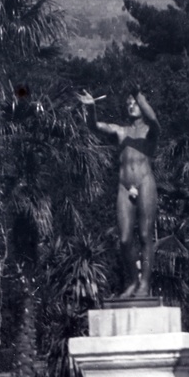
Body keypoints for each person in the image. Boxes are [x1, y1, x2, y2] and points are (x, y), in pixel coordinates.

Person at [76, 89, 159, 302]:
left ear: (142, 103)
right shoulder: (121, 131)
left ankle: (145, 284)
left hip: (144, 182)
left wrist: (138, 92)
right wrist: (92, 108)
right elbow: (95, 126)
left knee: (144, 235)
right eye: (128, 102)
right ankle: (133, 280)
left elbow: (153, 117)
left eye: (135, 102)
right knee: (124, 239)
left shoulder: (151, 130)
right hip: (124, 185)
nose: (130, 105)